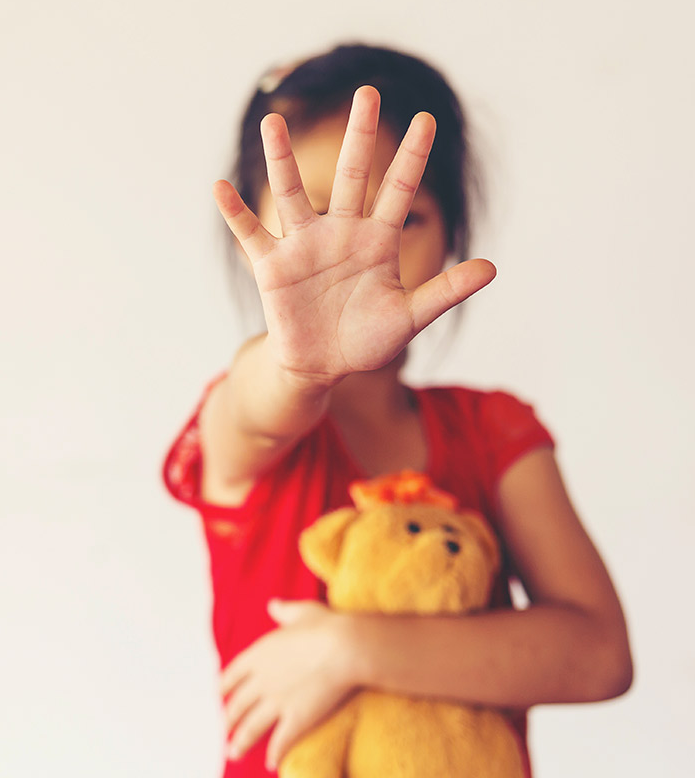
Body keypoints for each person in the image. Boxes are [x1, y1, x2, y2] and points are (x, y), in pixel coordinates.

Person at [162, 44, 632, 778]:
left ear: (451, 235)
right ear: (253, 229)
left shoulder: (493, 432)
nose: (349, 255)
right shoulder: (253, 416)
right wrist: (295, 361)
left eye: (404, 217)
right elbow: (250, 410)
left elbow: (599, 655)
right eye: (309, 215)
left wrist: (350, 649)